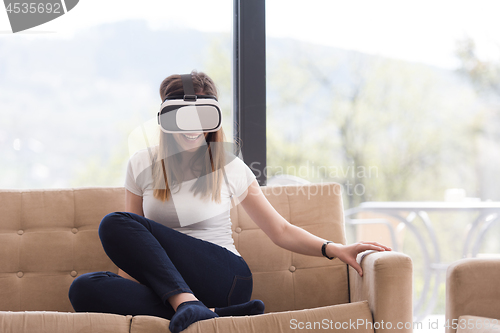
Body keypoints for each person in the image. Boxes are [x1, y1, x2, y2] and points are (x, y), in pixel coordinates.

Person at [68, 71, 391, 333]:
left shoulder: (229, 166)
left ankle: (190, 305)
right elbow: (131, 244)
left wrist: (333, 248)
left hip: (223, 276)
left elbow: (279, 229)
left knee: (115, 221)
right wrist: (133, 287)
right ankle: (208, 313)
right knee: (84, 287)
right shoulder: (141, 164)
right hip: (172, 286)